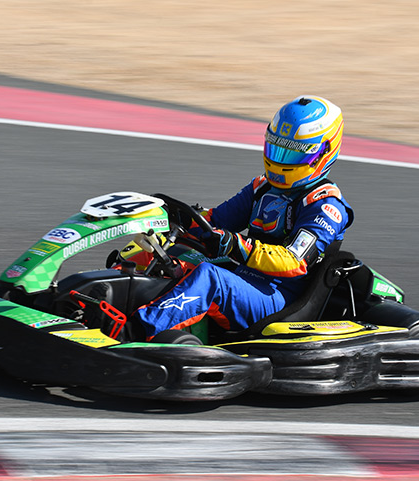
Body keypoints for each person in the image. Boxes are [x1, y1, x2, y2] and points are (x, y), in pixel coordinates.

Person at [133, 95, 354, 341]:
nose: (281, 159)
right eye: (278, 147)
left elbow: (294, 261)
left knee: (210, 278)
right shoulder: (262, 187)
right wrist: (174, 220)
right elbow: (215, 221)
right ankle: (99, 303)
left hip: (279, 297)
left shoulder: (326, 205)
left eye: (293, 153)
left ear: (323, 152)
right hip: (244, 276)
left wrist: (236, 246)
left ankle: (135, 332)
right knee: (165, 251)